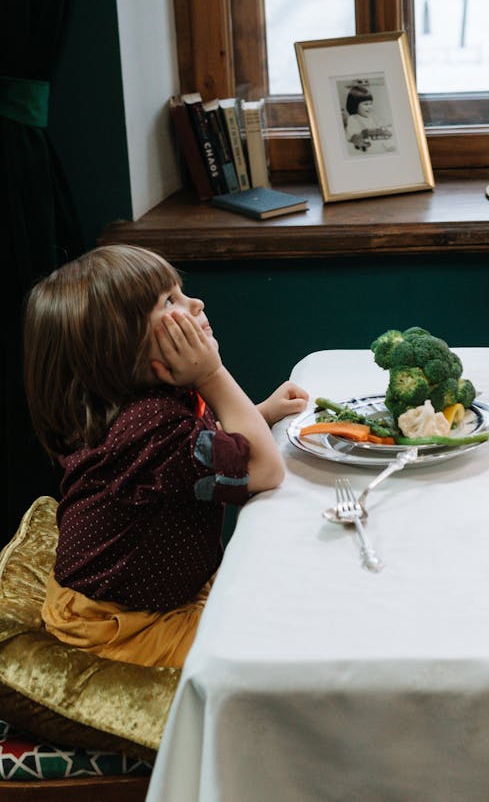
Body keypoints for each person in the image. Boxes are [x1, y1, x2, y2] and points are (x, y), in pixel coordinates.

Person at [23, 244, 308, 666]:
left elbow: (213, 443)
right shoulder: (151, 429)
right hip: (119, 624)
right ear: (121, 346)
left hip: (153, 595)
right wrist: (213, 373)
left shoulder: (154, 403)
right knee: (269, 655)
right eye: (170, 301)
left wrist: (260, 414)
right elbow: (264, 470)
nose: (197, 304)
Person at [345, 83, 392, 153]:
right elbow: (353, 137)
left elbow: (382, 128)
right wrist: (367, 133)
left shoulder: (373, 117)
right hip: (365, 150)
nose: (369, 107)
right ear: (355, 105)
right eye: (366, 104)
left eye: (371, 104)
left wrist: (384, 130)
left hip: (379, 147)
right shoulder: (353, 119)